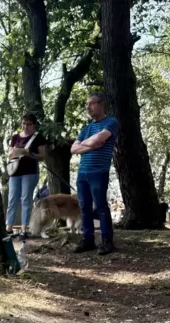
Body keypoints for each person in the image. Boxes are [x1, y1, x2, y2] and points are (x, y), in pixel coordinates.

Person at [70, 93, 119, 255]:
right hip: (82, 172)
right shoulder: (86, 128)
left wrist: (88, 144)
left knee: (100, 206)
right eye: (87, 105)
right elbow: (73, 149)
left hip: (99, 171)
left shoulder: (111, 122)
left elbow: (100, 139)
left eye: (91, 104)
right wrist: (92, 145)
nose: (88, 108)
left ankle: (107, 241)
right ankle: (88, 240)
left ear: (101, 104)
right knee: (84, 207)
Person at [6, 113, 47, 238]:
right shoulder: (15, 137)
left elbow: (42, 157)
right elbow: (9, 155)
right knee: (12, 199)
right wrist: (14, 151)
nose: (25, 126)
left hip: (29, 172)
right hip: (15, 172)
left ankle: (24, 228)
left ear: (34, 125)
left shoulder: (38, 138)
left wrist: (30, 154)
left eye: (28, 124)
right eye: (23, 123)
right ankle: (9, 227)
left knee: (26, 199)